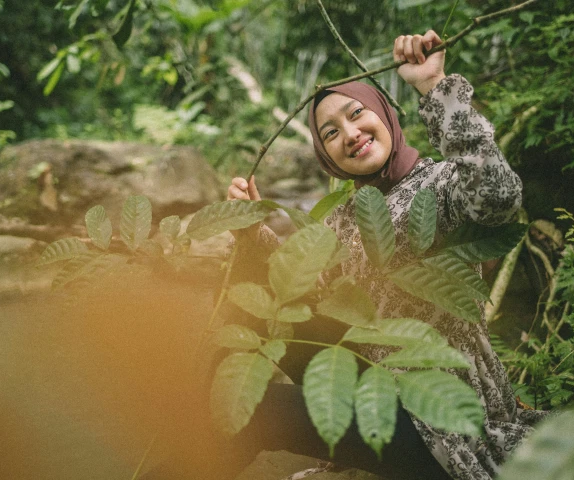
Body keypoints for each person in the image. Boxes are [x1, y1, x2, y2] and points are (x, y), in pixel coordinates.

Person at [225, 31, 548, 480]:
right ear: (326, 157)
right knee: (263, 317)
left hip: (435, 419)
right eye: (331, 133)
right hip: (378, 391)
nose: (350, 134)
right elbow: (310, 298)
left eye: (357, 114)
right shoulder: (343, 218)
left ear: (385, 115)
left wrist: (433, 86)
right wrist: (253, 229)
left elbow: (497, 196)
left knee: (261, 410)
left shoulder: (437, 185)